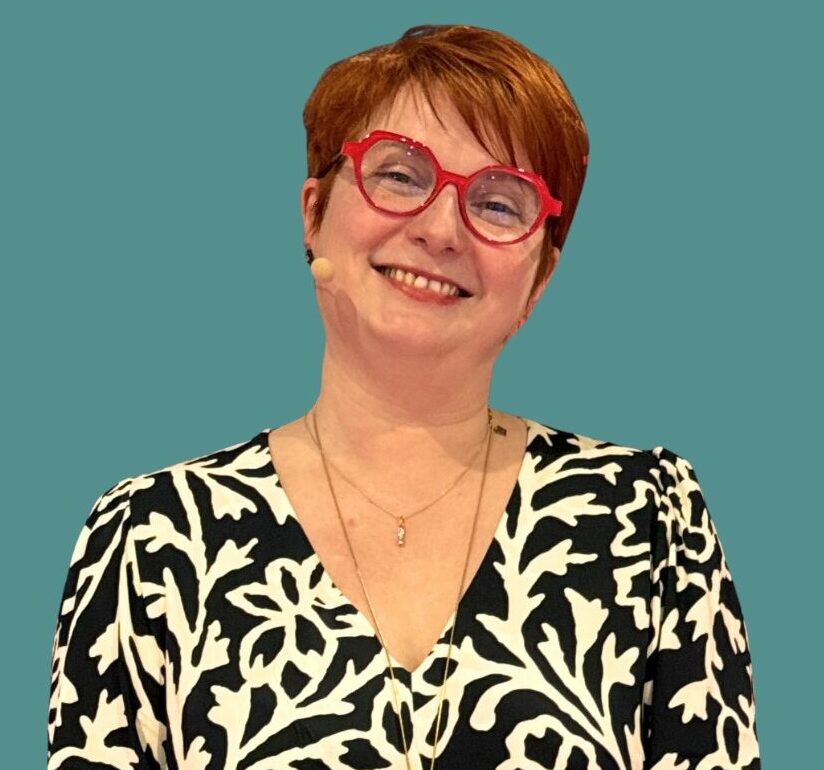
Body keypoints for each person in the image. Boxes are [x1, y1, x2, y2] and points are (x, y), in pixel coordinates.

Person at [46, 24, 760, 770]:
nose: (442, 229)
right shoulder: (150, 539)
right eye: (400, 174)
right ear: (313, 214)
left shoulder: (652, 523)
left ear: (539, 280)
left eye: (500, 203)